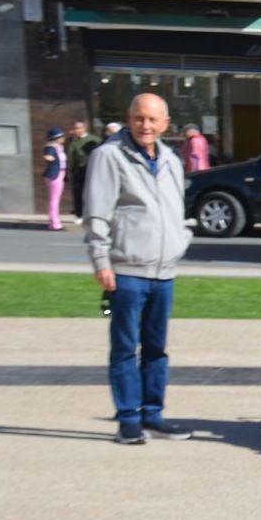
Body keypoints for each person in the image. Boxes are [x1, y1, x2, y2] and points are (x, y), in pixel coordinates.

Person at [85, 93, 194, 444]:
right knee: (124, 348)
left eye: (152, 119)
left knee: (156, 349)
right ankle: (128, 419)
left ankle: (153, 414)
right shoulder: (108, 156)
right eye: (138, 118)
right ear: (129, 118)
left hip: (164, 272)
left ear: (166, 123)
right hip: (127, 270)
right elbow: (97, 213)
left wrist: (181, 239)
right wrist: (102, 261)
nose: (145, 125)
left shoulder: (171, 159)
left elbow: (176, 208)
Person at [65, 121, 101, 217]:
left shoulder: (94, 139)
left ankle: (92, 213)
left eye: (79, 128)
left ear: (85, 129)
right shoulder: (73, 141)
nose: (77, 130)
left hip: (91, 169)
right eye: (75, 128)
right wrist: (72, 140)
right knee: (78, 193)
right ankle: (79, 214)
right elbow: (69, 152)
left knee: (91, 192)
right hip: (78, 169)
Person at [41, 127, 67, 231]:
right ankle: (55, 223)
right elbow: (47, 156)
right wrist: (48, 158)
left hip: (61, 173)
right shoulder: (50, 147)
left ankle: (54, 222)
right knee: (54, 199)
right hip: (54, 174)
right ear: (56, 138)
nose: (63, 138)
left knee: (56, 199)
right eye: (61, 136)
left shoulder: (59, 147)